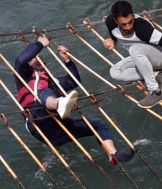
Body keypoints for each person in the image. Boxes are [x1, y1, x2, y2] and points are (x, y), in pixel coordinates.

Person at [14, 35, 134, 164]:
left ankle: (112, 155)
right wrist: (40, 44)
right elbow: (20, 60)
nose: (37, 57)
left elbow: (73, 81)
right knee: (45, 93)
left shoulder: (53, 82)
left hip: (58, 130)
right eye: (33, 57)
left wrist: (67, 61)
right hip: (37, 122)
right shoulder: (24, 76)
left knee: (98, 124)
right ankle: (58, 103)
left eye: (39, 57)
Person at [104, 0, 162, 108]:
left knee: (134, 49)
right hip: (141, 57)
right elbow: (114, 32)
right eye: (123, 24)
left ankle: (155, 91)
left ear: (133, 16)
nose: (128, 27)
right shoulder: (110, 22)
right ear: (115, 21)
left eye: (130, 22)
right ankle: (158, 75)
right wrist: (113, 40)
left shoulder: (143, 28)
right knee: (114, 72)